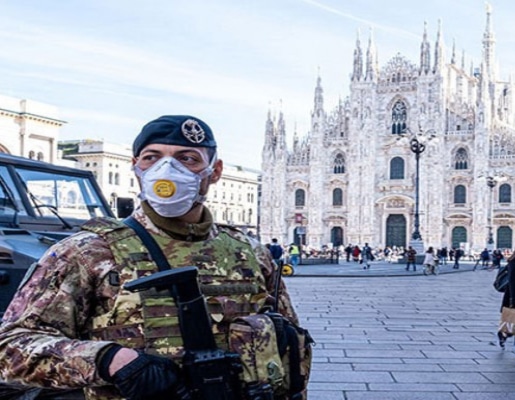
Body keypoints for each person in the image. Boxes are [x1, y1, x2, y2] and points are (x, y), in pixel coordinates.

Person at [0, 115, 307, 399]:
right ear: (136, 167)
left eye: (187, 159)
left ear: (214, 171)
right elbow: (10, 348)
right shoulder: (87, 251)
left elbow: (290, 344)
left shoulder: (251, 253)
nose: (168, 170)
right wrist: (107, 359)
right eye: (152, 158)